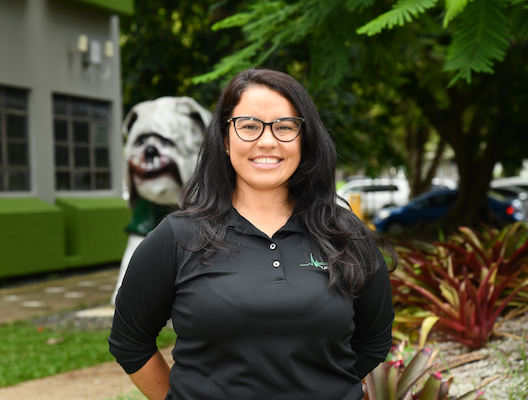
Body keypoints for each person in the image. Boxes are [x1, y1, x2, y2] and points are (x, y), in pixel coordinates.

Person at [109, 67, 397, 400]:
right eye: (249, 127)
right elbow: (129, 341)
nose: (267, 141)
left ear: (305, 140)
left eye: (285, 127)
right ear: (225, 140)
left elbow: (373, 340)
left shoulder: (345, 235)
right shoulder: (177, 237)